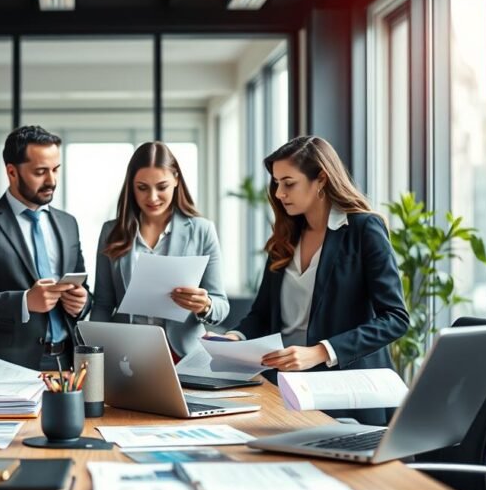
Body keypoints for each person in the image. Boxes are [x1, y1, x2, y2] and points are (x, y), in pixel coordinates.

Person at [224, 135, 409, 424]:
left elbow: (395, 318)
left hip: (344, 391)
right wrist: (234, 338)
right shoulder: (284, 239)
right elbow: (260, 315)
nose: (280, 193)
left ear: (321, 179)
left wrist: (321, 352)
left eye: (289, 183)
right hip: (282, 387)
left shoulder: (363, 229)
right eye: (276, 183)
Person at [0, 125, 91, 371]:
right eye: (40, 172)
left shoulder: (68, 223)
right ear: (12, 172)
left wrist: (82, 302)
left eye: (56, 169)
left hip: (67, 363)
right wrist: (25, 301)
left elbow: (84, 289)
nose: (51, 180)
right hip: (6, 365)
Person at [91, 141, 228, 359]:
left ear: (176, 179)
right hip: (126, 353)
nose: (152, 197)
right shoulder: (111, 232)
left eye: (161, 187)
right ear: (131, 186)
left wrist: (205, 305)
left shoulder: (202, 230)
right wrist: (94, 354)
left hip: (183, 353)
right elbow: (103, 304)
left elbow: (221, 305)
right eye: (142, 188)